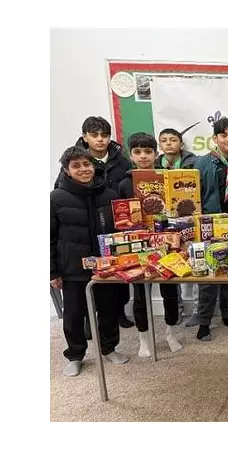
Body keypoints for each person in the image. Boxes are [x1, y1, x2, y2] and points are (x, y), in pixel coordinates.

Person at [51, 146, 129, 376]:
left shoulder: (109, 194)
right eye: (76, 166)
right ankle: (75, 355)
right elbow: (48, 237)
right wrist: (53, 272)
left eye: (86, 164)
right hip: (72, 267)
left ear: (93, 165)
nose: (83, 169)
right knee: (74, 314)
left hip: (106, 266)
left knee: (108, 309)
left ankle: (109, 347)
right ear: (67, 170)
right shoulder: (56, 198)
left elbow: (119, 231)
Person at [55, 116, 135, 330]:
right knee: (75, 307)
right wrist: (53, 271)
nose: (100, 139)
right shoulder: (58, 194)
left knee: (111, 298)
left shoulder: (121, 163)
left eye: (104, 135)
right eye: (94, 135)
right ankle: (80, 343)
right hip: (74, 256)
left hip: (108, 245)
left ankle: (113, 330)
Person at [118, 133, 182, 356]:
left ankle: (171, 333)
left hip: (168, 242)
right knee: (140, 294)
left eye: (148, 151)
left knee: (171, 292)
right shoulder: (124, 183)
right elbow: (121, 216)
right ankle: (143, 338)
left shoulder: (169, 179)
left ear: (156, 153)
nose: (143, 156)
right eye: (138, 152)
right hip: (139, 245)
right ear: (131, 154)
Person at [193, 117, 228, 341]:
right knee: (209, 276)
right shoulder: (202, 164)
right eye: (224, 135)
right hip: (209, 227)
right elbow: (193, 197)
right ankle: (204, 322)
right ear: (215, 138)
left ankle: (227, 315)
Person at [154, 127, 196, 325]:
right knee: (169, 264)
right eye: (164, 140)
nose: (169, 143)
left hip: (190, 219)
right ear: (159, 145)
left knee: (196, 262)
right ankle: (176, 310)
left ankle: (197, 310)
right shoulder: (153, 165)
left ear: (181, 143)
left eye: (173, 139)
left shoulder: (194, 163)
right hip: (163, 222)